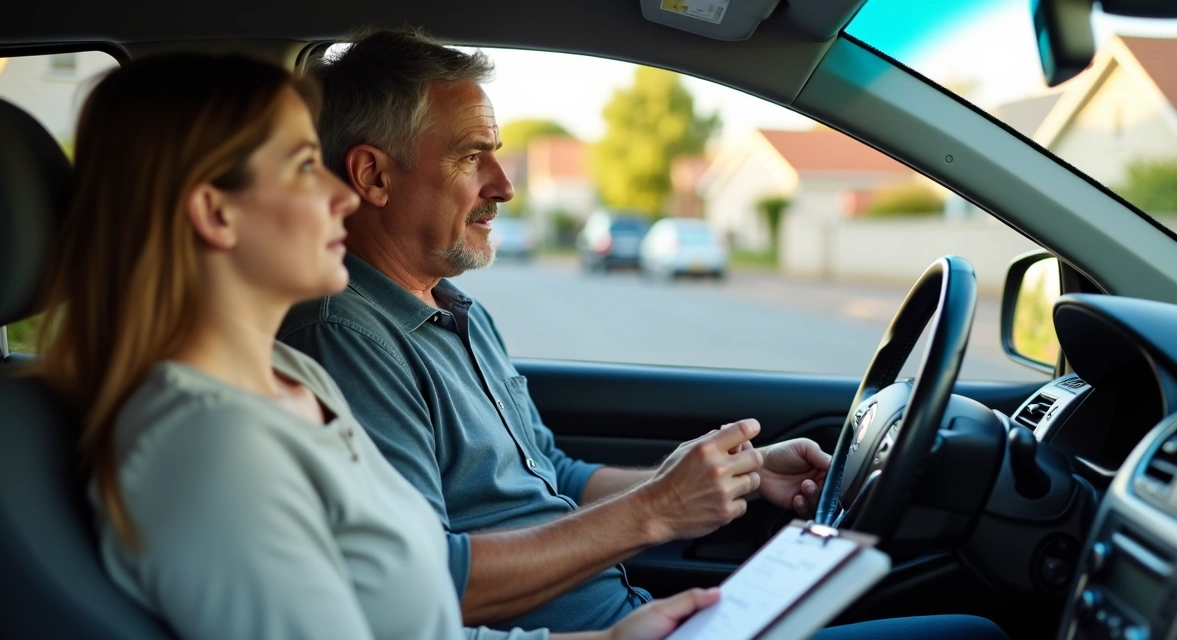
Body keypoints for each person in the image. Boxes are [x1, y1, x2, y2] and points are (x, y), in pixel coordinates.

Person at [279, 29, 1008, 640]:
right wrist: (654, 512)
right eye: (473, 156)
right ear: (374, 176)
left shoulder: (456, 311)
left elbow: (552, 481)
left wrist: (739, 478)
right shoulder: (348, 340)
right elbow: (421, 588)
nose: (504, 185)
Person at [37, 51, 723, 640]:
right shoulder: (212, 444)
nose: (341, 195)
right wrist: (654, 514)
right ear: (217, 213)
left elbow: (415, 618)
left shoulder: (294, 374)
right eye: (306, 167)